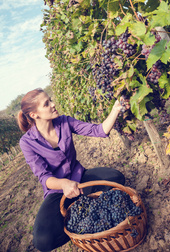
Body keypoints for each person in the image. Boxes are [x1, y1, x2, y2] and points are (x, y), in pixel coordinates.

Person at [18, 88, 126, 252]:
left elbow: (98, 130)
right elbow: (44, 177)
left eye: (51, 100)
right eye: (47, 104)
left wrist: (115, 109)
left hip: (80, 178)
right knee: (43, 242)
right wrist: (64, 184)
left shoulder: (64, 122)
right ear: (34, 115)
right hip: (57, 191)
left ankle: (86, 209)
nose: (53, 104)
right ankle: (76, 228)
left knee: (116, 178)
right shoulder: (27, 142)